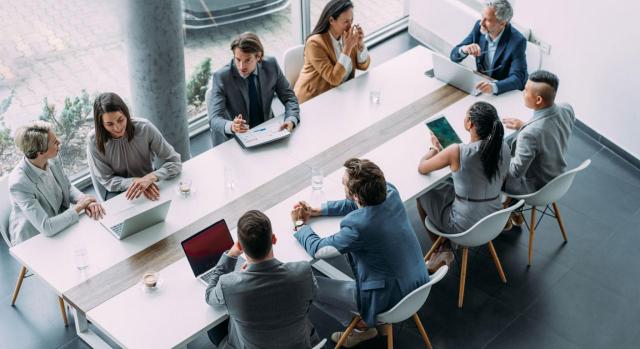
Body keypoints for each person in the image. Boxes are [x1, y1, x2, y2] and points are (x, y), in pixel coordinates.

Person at [292, 158, 428, 348]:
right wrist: (318, 210)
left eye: (344, 184)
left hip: (387, 298)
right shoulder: (391, 193)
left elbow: (320, 249)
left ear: (356, 196)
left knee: (307, 286)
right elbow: (358, 204)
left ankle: (360, 329)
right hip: (419, 284)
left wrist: (300, 225)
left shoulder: (359, 226)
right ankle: (365, 325)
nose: (342, 184)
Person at [416, 102, 510, 272]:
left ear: (470, 124)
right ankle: (444, 248)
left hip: (464, 226)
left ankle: (443, 250)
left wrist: (433, 148)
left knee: (422, 194)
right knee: (452, 185)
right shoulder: (504, 147)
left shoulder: (456, 151)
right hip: (494, 217)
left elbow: (423, 167)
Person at [205, 210, 319, 349]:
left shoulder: (229, 285)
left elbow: (209, 296)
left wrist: (231, 254)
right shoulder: (303, 271)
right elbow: (312, 297)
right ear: (274, 239)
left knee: (214, 329)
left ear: (240, 246)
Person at [8, 121, 105, 246]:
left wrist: (85, 200)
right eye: (54, 142)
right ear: (40, 152)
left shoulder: (52, 157)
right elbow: (47, 227)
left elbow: (67, 187)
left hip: (59, 222)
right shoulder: (19, 183)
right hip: (35, 239)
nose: (59, 142)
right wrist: (79, 207)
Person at [206, 32, 300, 147]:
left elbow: (289, 97)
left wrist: (290, 120)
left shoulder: (271, 65)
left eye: (247, 60)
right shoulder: (222, 77)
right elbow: (214, 118)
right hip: (238, 140)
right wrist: (232, 126)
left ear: (258, 56)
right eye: (238, 59)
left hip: (268, 132)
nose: (241, 66)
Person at [87, 92, 182, 201]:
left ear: (126, 114)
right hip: (118, 192)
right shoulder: (93, 141)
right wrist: (137, 182)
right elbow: (107, 180)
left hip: (149, 182)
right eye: (109, 124)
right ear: (101, 124)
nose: (117, 128)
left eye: (120, 120)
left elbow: (176, 162)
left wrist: (150, 177)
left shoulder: (145, 128)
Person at [503, 70, 575, 207]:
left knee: (488, 168)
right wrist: (524, 126)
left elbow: (515, 172)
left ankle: (504, 212)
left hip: (536, 188)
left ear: (538, 100)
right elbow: (551, 132)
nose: (523, 94)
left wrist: (498, 158)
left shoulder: (530, 134)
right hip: (558, 178)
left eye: (525, 91)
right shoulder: (567, 109)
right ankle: (513, 212)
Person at [294, 0, 371, 103]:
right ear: (331, 20)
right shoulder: (314, 44)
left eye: (351, 20)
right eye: (346, 21)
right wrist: (347, 48)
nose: (350, 26)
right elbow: (334, 79)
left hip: (338, 96)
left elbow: (363, 66)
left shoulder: (346, 36)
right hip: (312, 101)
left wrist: (360, 44)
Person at [450, 0, 527, 95]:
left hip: (502, 91)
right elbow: (453, 55)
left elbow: (518, 78)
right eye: (482, 17)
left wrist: (494, 87)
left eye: (487, 20)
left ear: (503, 23)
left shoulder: (517, 41)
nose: (481, 23)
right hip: (480, 86)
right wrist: (464, 49)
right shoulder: (479, 27)